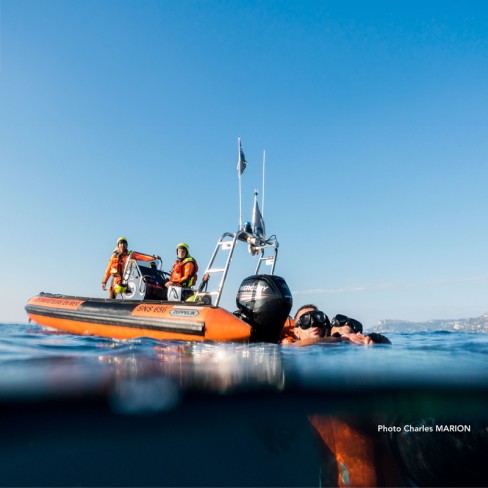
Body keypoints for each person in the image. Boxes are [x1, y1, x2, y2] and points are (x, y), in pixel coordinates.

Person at [282, 304, 379, 345]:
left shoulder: (339, 338)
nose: (314, 324)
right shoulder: (289, 345)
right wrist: (340, 339)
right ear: (297, 332)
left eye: (318, 318)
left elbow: (381, 340)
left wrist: (367, 339)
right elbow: (298, 346)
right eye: (306, 320)